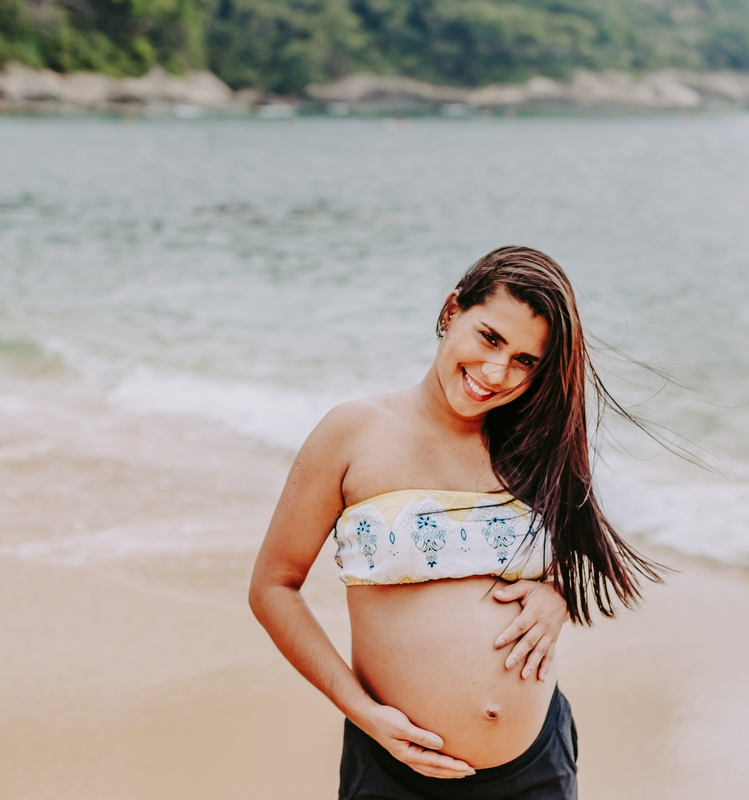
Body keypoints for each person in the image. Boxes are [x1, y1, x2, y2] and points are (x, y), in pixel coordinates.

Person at [249, 246, 660, 799]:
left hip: (536, 766)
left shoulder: (533, 445)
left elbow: (581, 550)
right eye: (490, 338)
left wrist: (559, 595)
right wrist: (364, 714)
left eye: (525, 360)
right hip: (395, 770)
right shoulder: (353, 433)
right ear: (452, 312)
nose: (497, 372)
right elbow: (273, 586)